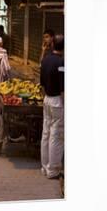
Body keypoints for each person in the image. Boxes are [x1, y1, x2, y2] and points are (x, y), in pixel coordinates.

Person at [40, 35, 64, 180]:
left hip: (46, 99)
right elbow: (63, 88)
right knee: (56, 135)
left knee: (46, 133)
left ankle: (44, 166)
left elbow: (42, 83)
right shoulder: (61, 62)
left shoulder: (45, 60)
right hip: (57, 101)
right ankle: (53, 170)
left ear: (53, 44)